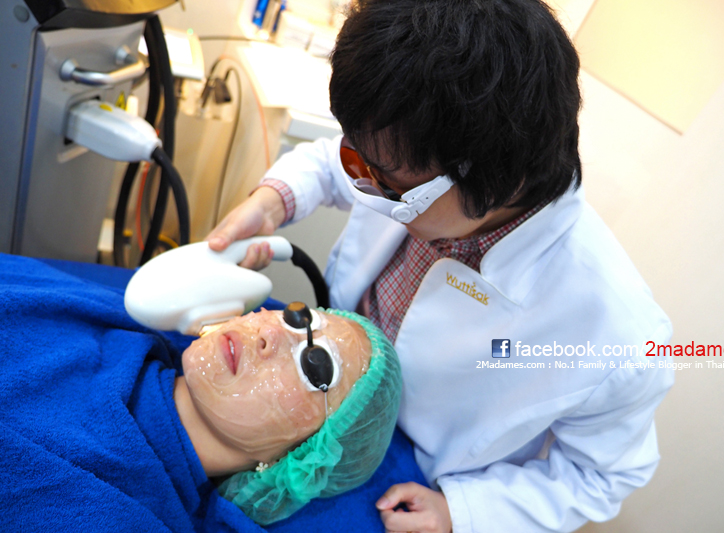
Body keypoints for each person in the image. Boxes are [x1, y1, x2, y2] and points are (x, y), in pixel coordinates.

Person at [206, 0, 675, 531]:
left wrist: (463, 512)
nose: (365, 181)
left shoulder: (617, 334)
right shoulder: (413, 161)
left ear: (498, 183)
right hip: (319, 384)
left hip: (401, 478)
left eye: (390, 183)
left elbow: (601, 477)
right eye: (361, 160)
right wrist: (274, 200)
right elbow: (342, 162)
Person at [0, 254, 401, 531]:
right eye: (299, 318)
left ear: (298, 460)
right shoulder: (102, 317)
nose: (270, 332)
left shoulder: (111, 512)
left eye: (315, 366)